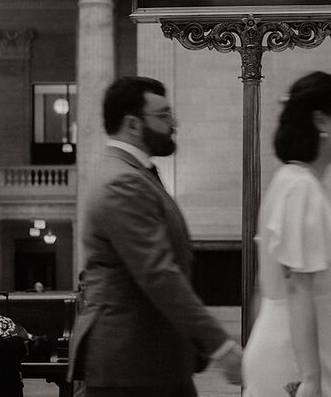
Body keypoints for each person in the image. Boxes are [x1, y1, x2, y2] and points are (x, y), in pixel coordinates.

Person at [66, 76, 242, 396]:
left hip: (150, 361)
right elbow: (159, 273)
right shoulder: (123, 182)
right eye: (163, 115)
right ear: (132, 124)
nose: (173, 123)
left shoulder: (133, 174)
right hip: (132, 363)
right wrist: (221, 345)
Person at [243, 71, 331, 397]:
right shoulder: (300, 187)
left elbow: (261, 289)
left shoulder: (294, 182)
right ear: (321, 121)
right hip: (295, 357)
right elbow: (297, 288)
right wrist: (309, 378)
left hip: (296, 347)